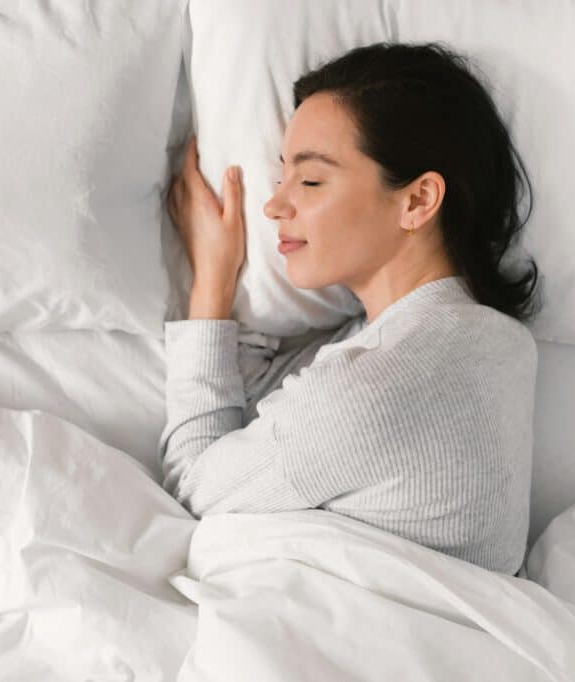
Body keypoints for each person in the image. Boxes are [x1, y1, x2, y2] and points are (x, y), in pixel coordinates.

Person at [159, 42, 542, 576]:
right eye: (281, 176)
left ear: (416, 201)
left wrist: (212, 282)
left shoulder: (371, 387)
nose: (273, 206)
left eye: (311, 180)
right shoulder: (500, 344)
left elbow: (189, 489)